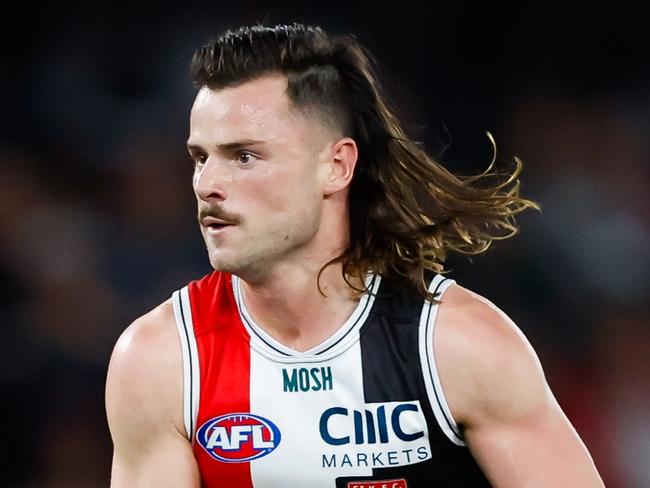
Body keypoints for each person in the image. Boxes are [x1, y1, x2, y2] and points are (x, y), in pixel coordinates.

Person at [105, 23, 604, 487]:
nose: (208, 185)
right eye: (200, 157)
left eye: (245, 156)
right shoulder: (160, 360)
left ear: (337, 166)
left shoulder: (456, 345)